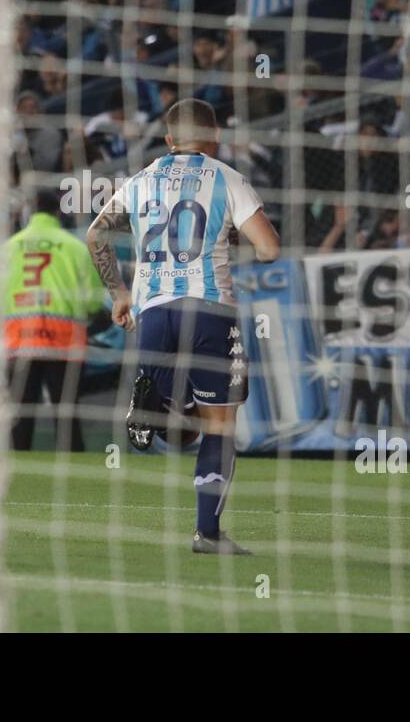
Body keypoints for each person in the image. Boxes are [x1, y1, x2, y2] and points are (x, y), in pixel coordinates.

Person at [86, 99, 280, 554]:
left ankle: (158, 401)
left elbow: (96, 233)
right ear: (216, 138)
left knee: (182, 423)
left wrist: (119, 293)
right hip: (209, 307)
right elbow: (270, 249)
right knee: (219, 425)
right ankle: (207, 534)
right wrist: (231, 237)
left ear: (169, 141)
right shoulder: (226, 177)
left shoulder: (141, 180)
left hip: (153, 310)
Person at [0, 189, 107, 451]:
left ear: (29, 213)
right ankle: (76, 482)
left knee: (20, 417)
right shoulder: (75, 247)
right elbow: (93, 301)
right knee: (66, 416)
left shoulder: (9, 247)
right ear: (59, 212)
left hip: (19, 339)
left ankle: (16, 478)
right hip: (64, 341)